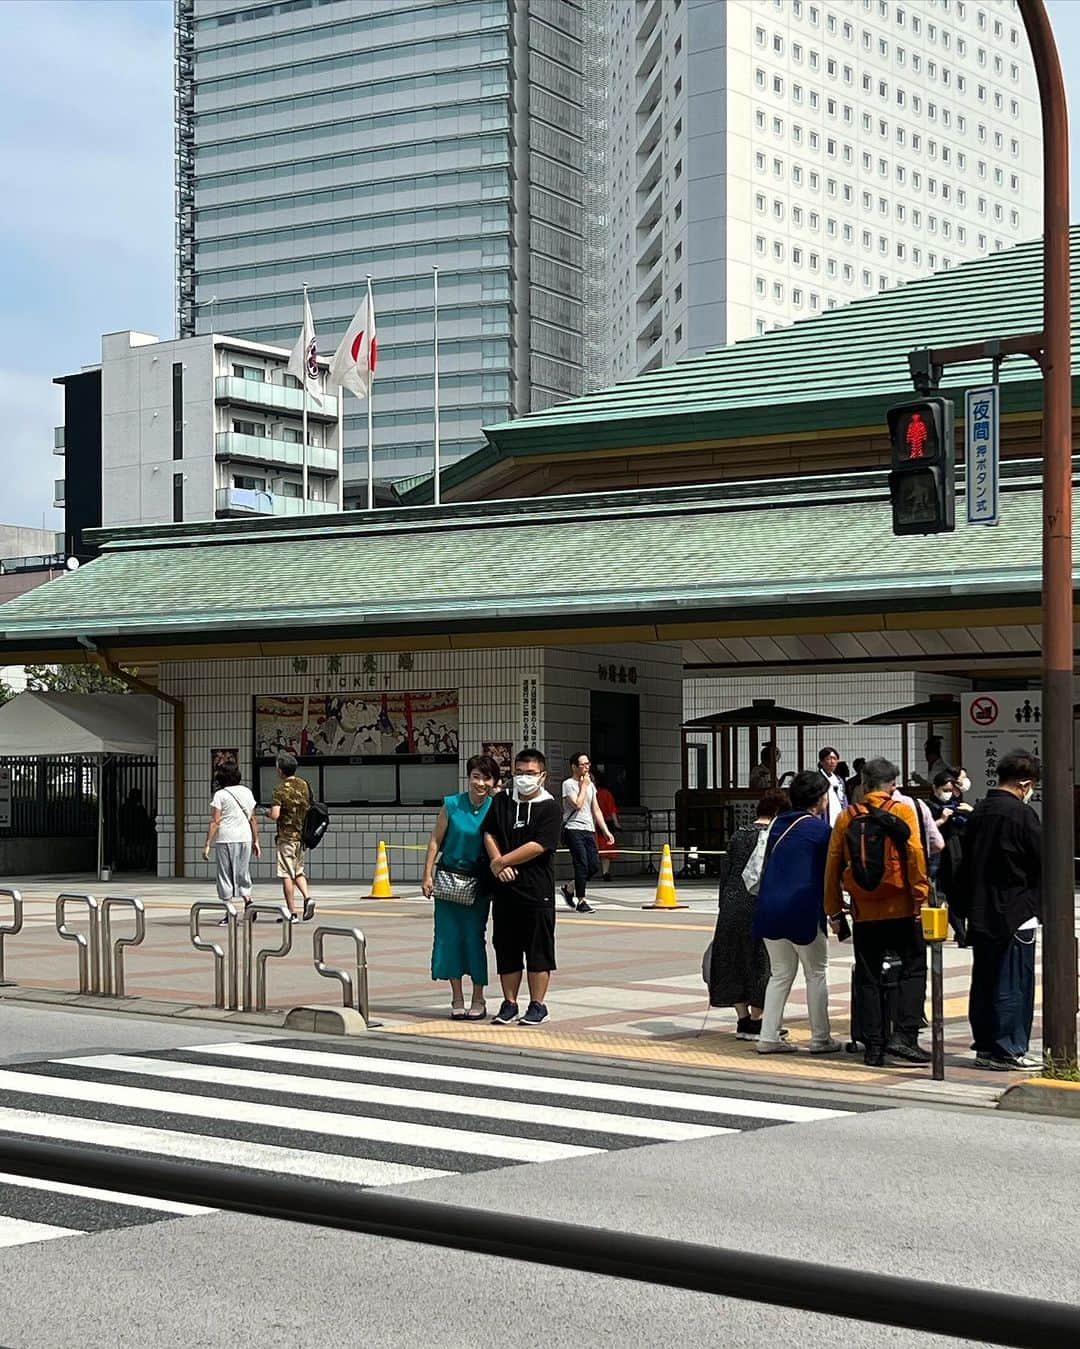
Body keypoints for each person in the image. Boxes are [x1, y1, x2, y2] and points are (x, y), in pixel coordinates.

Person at [825, 756, 931, 1068]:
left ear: (865, 785)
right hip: (901, 906)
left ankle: (873, 1045)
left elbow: (832, 865)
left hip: (864, 911)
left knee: (868, 976)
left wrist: (834, 910)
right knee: (913, 968)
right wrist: (920, 898)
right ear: (891, 785)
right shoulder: (901, 811)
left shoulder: (847, 817)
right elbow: (915, 855)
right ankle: (905, 1036)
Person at [950, 750, 1041, 1071]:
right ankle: (1009, 1048)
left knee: (985, 980)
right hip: (1016, 910)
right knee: (1013, 981)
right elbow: (1040, 861)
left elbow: (961, 864)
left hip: (980, 910)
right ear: (1025, 783)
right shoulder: (1022, 815)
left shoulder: (978, 812)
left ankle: (987, 1046)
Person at [753, 772, 841, 1055]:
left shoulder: (777, 824)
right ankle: (820, 1038)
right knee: (816, 973)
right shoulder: (820, 831)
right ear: (819, 799)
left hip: (769, 907)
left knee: (780, 974)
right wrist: (836, 912)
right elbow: (830, 876)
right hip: (803, 909)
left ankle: (768, 1037)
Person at [484, 748, 562, 1026]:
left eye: (530, 773)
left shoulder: (550, 806)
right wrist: (496, 862)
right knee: (506, 947)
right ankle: (509, 1003)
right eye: (519, 773)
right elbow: (489, 831)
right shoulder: (503, 801)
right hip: (505, 892)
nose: (524, 778)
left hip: (536, 890)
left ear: (542, 776)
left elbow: (540, 845)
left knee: (538, 948)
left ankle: (538, 1004)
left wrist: (502, 860)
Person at [421, 754, 500, 1020]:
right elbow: (435, 840)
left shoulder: (495, 807)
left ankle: (479, 997)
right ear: (468, 778)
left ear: (494, 782)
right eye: (475, 776)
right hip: (447, 881)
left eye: (486, 778)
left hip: (478, 885)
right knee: (448, 937)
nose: (480, 783)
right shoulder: (452, 804)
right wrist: (427, 875)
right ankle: (456, 996)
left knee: (474, 938)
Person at [708, 787, 788, 1040]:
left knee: (733, 960)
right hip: (757, 905)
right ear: (777, 812)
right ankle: (757, 1019)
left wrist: (724, 904)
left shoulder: (739, 834)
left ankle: (742, 1019)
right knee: (760, 962)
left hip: (731, 905)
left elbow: (726, 873)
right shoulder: (772, 836)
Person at [202, 762, 259, 921]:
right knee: (243, 872)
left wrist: (207, 844)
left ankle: (229, 912)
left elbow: (215, 821)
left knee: (225, 875)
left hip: (226, 839)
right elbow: (253, 818)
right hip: (245, 838)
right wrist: (256, 841)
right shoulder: (247, 792)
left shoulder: (220, 795)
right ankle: (249, 902)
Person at [560, 752, 614, 915]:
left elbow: (595, 808)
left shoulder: (591, 785)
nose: (586, 767)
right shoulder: (568, 784)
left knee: (593, 866)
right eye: (582, 765)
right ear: (574, 767)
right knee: (581, 864)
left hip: (589, 829)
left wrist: (605, 830)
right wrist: (583, 786)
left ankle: (569, 888)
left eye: (588, 764)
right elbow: (577, 804)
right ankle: (581, 900)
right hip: (573, 828)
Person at [267, 752, 313, 922]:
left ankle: (291, 913)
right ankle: (308, 898)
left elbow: (275, 815)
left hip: (286, 837)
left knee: (286, 874)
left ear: (280, 770)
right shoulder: (304, 785)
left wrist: (267, 812)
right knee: (298, 871)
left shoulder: (279, 790)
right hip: (302, 836)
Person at [594, 773, 621, 880]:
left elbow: (611, 809)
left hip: (596, 825)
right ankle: (605, 872)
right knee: (606, 850)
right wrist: (617, 824)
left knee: (597, 848)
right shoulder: (606, 793)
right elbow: (612, 810)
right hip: (605, 824)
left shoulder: (596, 793)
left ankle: (595, 871)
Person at [817, 746, 848, 826]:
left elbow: (844, 800)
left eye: (835, 759)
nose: (832, 762)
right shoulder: (817, 779)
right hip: (825, 819)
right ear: (822, 761)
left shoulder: (839, 780)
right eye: (829, 759)